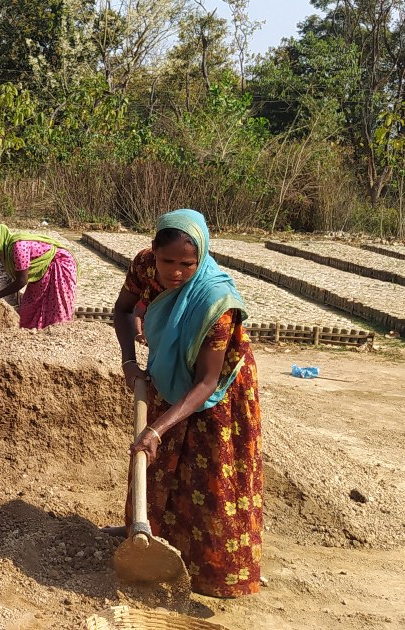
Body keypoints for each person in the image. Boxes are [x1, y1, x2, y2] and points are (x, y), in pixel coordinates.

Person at [111, 209, 263, 598]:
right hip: (166, 371)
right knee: (161, 468)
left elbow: (207, 382)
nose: (175, 272)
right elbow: (123, 310)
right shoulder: (144, 267)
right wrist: (130, 361)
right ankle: (147, 538)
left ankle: (213, 571)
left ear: (201, 258)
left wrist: (156, 428)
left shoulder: (218, 305)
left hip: (216, 393)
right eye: (168, 261)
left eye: (187, 264)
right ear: (153, 252)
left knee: (207, 473)